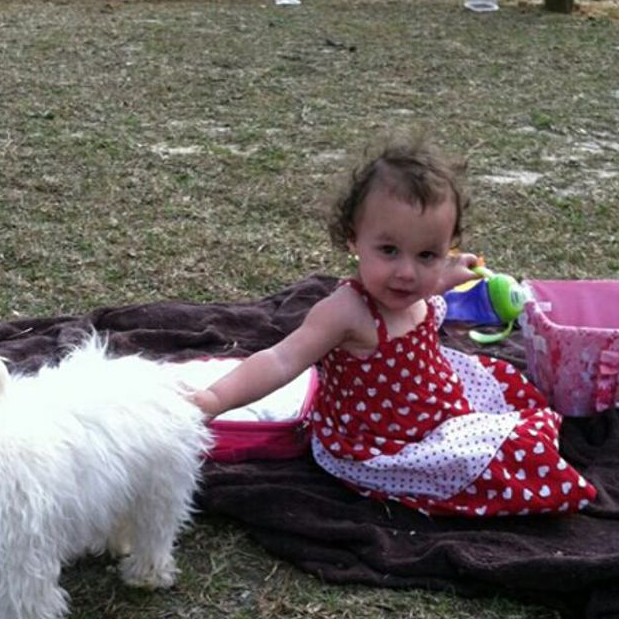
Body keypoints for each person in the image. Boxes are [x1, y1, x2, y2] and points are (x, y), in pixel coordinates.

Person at [190, 135, 596, 517]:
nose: (406, 273)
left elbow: (431, 286)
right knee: (510, 457)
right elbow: (280, 360)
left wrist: (448, 273)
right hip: (384, 441)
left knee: (509, 385)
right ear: (354, 239)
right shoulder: (348, 311)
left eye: (426, 255)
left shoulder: (417, 284)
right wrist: (213, 399)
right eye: (388, 250)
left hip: (437, 400)